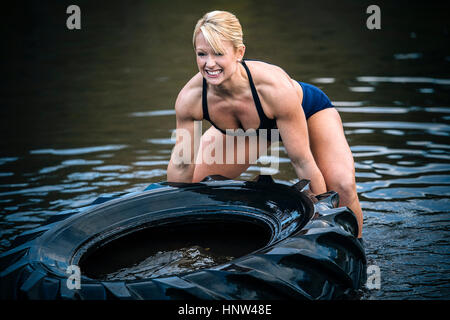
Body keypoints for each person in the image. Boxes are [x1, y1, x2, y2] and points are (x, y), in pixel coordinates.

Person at [166, 10, 363, 238]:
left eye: (219, 54)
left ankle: (357, 248)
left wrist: (321, 217)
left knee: (341, 186)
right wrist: (172, 217)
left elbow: (302, 161)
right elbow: (181, 166)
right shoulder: (190, 99)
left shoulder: (273, 88)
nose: (210, 64)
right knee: (197, 185)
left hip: (309, 113)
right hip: (249, 131)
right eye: (202, 54)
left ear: (239, 52)